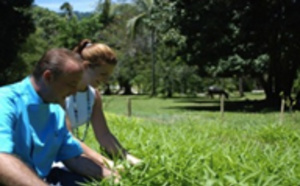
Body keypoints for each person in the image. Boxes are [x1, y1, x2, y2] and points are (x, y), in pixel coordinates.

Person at [0, 48, 118, 186]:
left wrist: (112, 176)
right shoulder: (5, 101)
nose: (74, 92)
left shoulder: (56, 111)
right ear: (48, 77)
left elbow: (73, 158)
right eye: (71, 84)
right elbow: (2, 160)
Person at [64, 39, 142, 169]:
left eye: (108, 76)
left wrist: (127, 157)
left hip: (68, 153)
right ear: (86, 66)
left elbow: (103, 134)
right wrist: (107, 163)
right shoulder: (61, 92)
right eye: (103, 74)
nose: (106, 80)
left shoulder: (94, 96)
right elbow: (67, 137)